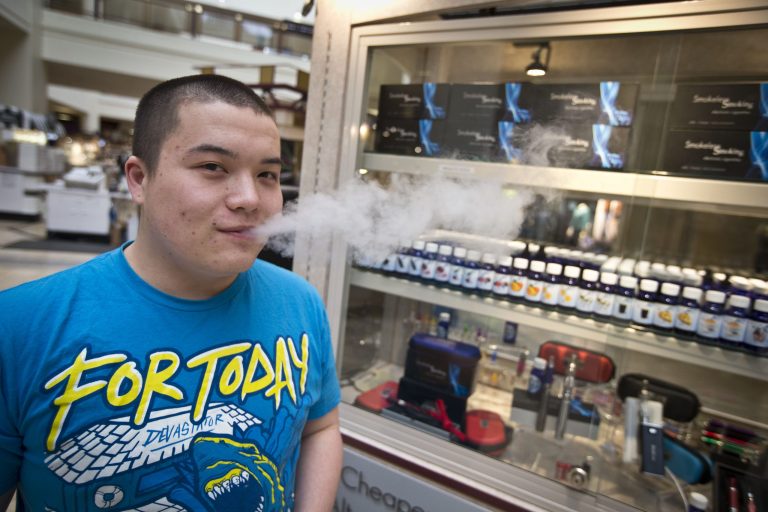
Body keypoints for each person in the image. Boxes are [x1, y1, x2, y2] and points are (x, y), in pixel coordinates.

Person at [0, 74, 342, 511]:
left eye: (268, 175)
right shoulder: (20, 325)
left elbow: (319, 428)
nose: (249, 199)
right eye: (213, 167)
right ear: (139, 179)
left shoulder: (301, 302)